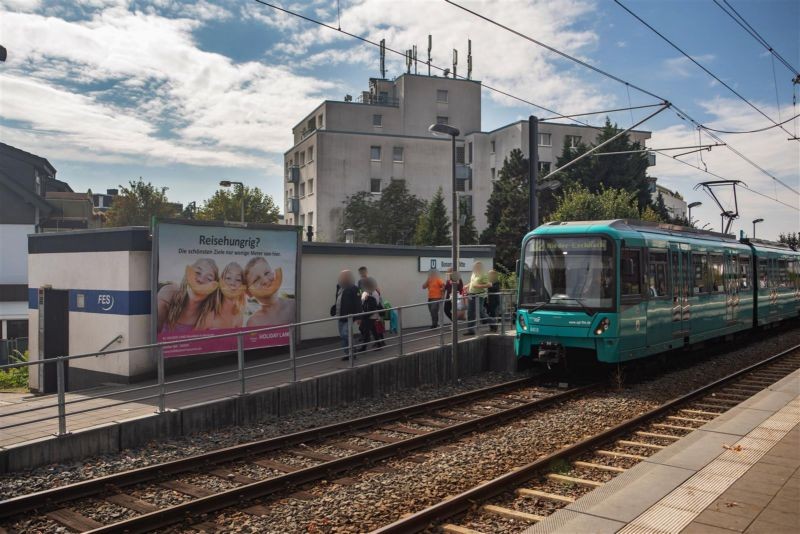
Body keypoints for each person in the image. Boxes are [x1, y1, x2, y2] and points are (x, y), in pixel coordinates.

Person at [157, 258, 219, 334]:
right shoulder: (169, 294)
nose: (201, 280)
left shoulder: (208, 314)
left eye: (209, 279)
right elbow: (153, 333)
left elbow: (196, 343)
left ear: (213, 288)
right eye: (198, 272)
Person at [245, 257, 296, 327]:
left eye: (267, 273)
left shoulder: (293, 305)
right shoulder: (253, 322)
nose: (265, 281)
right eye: (256, 280)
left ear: (273, 274)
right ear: (249, 293)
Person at [206, 262, 246, 329]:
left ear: (242, 286)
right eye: (228, 278)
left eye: (238, 279)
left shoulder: (239, 316)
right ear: (221, 282)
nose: (232, 283)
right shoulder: (210, 312)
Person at [332, 270, 361, 359]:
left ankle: (352, 351)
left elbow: (358, 302)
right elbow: (337, 299)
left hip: (349, 316)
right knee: (342, 335)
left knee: (345, 334)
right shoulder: (339, 287)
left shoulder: (355, 288)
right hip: (340, 315)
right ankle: (348, 353)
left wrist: (359, 317)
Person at [359, 277, 385, 351]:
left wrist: (366, 314)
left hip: (371, 315)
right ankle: (379, 344)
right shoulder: (367, 292)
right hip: (368, 315)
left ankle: (364, 347)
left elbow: (375, 305)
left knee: (366, 330)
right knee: (373, 331)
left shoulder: (374, 293)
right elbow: (363, 302)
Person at [465, 261, 491, 335]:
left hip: (479, 296)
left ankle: (493, 322)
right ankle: (470, 330)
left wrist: (479, 286)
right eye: (475, 267)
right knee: (470, 313)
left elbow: (489, 284)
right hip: (471, 295)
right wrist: (467, 285)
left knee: (480, 312)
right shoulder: (473, 274)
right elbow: (473, 283)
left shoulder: (483, 275)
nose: (476, 268)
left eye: (477, 267)